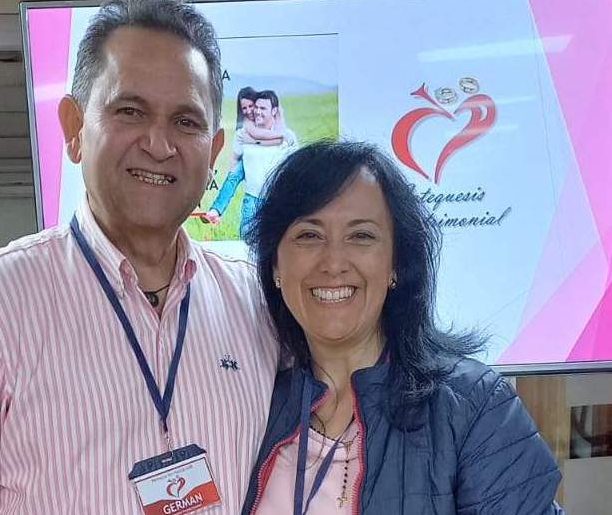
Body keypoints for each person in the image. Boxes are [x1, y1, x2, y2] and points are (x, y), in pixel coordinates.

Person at [0, 0, 279, 514]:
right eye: (130, 111)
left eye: (186, 122)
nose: (159, 144)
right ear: (74, 128)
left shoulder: (256, 302)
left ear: (213, 151)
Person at [240, 141, 563, 514]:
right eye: (309, 235)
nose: (333, 262)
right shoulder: (255, 403)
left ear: (395, 264)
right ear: (275, 266)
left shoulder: (474, 408)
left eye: (361, 236)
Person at [205, 90, 297, 238]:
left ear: (274, 111)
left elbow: (295, 173)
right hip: (252, 203)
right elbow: (234, 176)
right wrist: (216, 209)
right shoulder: (243, 135)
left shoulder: (288, 136)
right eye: (257, 108)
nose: (257, 112)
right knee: (247, 245)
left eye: (263, 108)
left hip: (278, 202)